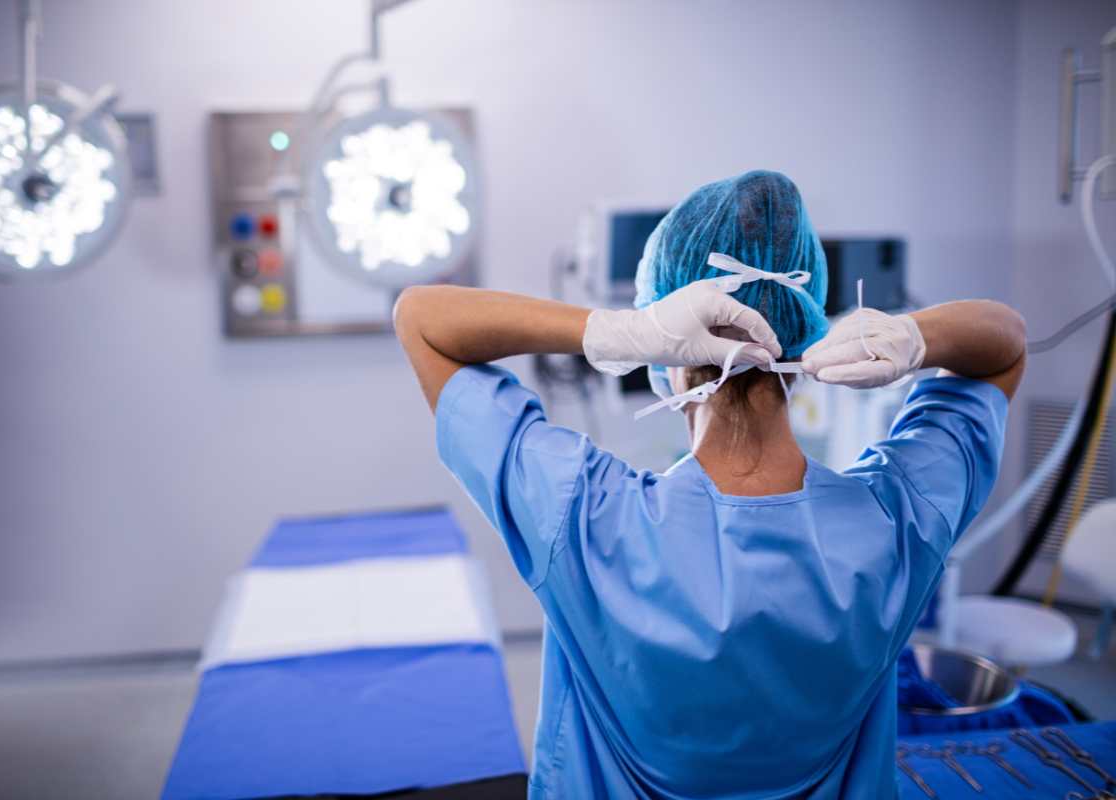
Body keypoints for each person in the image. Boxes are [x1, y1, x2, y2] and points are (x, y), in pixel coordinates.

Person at [393, 171, 1025, 799]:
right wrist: (914, 336)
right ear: (810, 331)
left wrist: (611, 331)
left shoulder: (581, 515)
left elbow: (422, 318)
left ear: (668, 351)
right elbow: (1004, 345)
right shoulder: (898, 520)